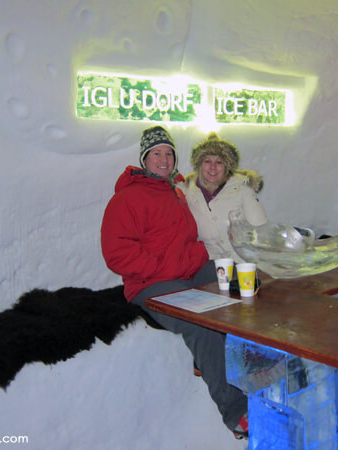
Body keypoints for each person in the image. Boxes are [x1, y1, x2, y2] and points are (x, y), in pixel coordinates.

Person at [100, 125, 249, 439]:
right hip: (150, 285)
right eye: (157, 153)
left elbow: (188, 236)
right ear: (144, 159)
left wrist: (195, 255)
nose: (164, 159)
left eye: (169, 153)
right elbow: (117, 254)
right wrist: (163, 267)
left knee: (242, 284)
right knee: (202, 323)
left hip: (187, 274)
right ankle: (236, 412)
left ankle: (255, 366)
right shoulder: (127, 198)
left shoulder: (176, 191)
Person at [181, 132, 268, 262]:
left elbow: (261, 231)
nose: (213, 167)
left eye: (219, 162)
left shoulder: (242, 188)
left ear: (227, 166)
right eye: (207, 161)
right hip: (208, 263)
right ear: (199, 165)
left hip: (243, 262)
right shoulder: (187, 192)